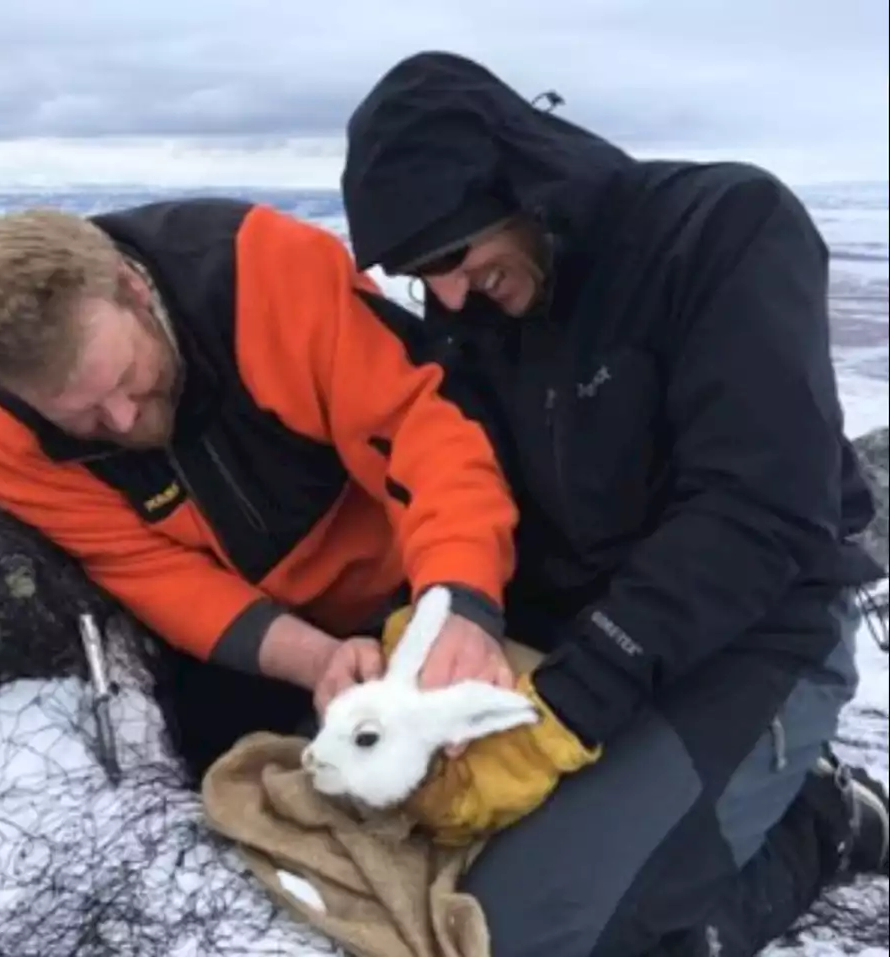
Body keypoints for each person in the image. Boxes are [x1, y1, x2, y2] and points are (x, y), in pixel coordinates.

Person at [339, 49, 890, 957]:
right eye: (413, 270)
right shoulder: (473, 320)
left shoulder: (723, 230)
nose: (444, 290)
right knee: (418, 861)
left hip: (758, 632)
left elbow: (763, 512)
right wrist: (437, 626)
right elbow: (465, 489)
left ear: (520, 181)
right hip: (586, 637)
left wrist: (570, 703)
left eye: (450, 251)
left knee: (525, 937)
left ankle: (822, 821)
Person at [0, 197, 526, 763]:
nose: (125, 419)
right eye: (81, 415)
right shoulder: (3, 435)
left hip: (419, 571)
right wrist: (317, 662)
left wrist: (459, 607)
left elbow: (425, 440)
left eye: (126, 376)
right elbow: (152, 573)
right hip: (262, 643)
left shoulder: (268, 272)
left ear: (133, 289)